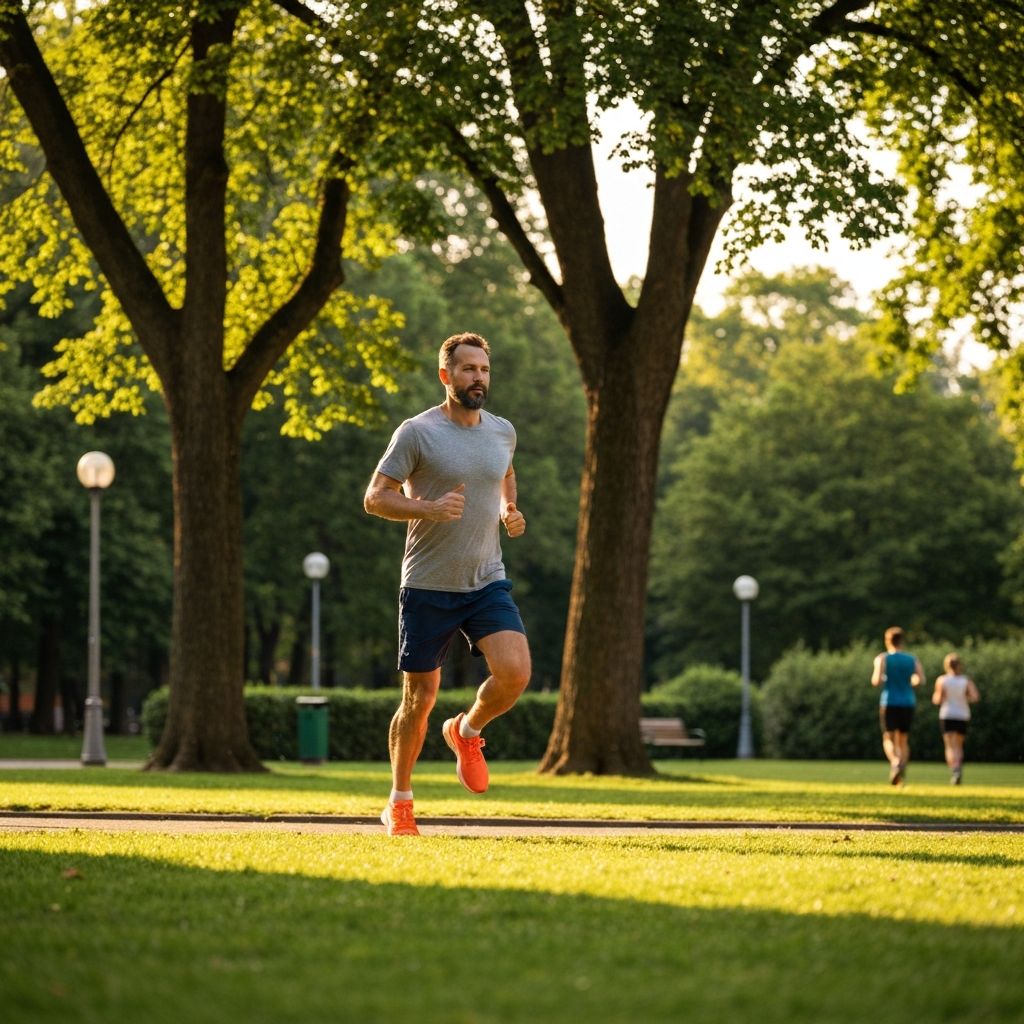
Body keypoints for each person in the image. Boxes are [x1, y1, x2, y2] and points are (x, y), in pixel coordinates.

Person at [364, 332, 531, 836]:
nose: (478, 378)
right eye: (467, 370)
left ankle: (468, 730)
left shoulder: (502, 431)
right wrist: (428, 509)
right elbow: (375, 497)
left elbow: (504, 472)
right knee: (418, 700)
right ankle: (400, 801)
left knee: (515, 673)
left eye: (483, 369)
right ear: (446, 376)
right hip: (428, 583)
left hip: (485, 579)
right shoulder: (417, 433)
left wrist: (508, 508)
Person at [870, 626, 924, 785]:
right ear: (902, 641)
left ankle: (895, 762)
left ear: (887, 641)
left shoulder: (882, 658)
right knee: (903, 740)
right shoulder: (912, 659)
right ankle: (901, 774)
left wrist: (887, 678)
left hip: (889, 701)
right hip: (908, 702)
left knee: (888, 737)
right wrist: (909, 682)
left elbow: (876, 681)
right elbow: (920, 680)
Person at [932, 652, 980, 785]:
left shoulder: (942, 680)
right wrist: (965, 698)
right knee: (958, 745)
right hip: (962, 715)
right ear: (959, 665)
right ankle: (958, 767)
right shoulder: (965, 680)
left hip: (947, 714)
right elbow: (975, 697)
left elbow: (937, 699)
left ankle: (954, 769)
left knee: (949, 746)